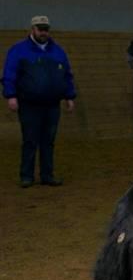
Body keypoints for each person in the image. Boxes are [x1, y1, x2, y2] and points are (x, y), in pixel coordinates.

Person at [2, 16, 77, 187]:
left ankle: (47, 175)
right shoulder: (19, 50)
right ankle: (26, 175)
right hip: (29, 104)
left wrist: (69, 96)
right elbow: (10, 74)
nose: (44, 32)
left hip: (52, 104)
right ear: (32, 29)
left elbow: (66, 75)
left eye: (46, 29)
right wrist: (11, 95)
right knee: (30, 140)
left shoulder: (58, 51)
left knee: (48, 141)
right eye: (40, 29)